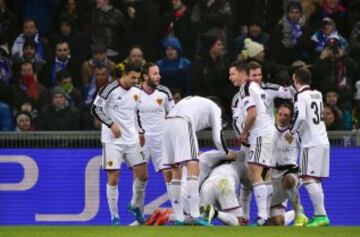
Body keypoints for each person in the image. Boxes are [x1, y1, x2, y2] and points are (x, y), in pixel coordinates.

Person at [161, 95, 236, 225]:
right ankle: (196, 215)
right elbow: (217, 137)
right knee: (194, 167)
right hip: (182, 123)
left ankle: (179, 218)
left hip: (166, 124)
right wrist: (227, 152)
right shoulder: (215, 108)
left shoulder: (194, 102)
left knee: (176, 170)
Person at [91, 63, 148, 225]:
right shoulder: (109, 89)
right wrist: (111, 124)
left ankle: (134, 205)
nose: (135, 81)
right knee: (114, 177)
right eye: (132, 77)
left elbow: (136, 113)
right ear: (124, 74)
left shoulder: (137, 91)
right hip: (112, 141)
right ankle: (114, 216)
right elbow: (96, 109)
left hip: (131, 140)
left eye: (137, 78)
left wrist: (141, 131)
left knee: (143, 176)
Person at [229, 61, 274, 226]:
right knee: (263, 174)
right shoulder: (254, 87)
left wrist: (244, 132)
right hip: (266, 132)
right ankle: (264, 215)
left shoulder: (247, 88)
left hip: (260, 133)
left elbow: (252, 114)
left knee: (255, 172)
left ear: (242, 73)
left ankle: (263, 216)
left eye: (232, 74)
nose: (230, 77)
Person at [286, 67, 330, 227]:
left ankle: (321, 215)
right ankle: (321, 216)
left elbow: (301, 117)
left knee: (307, 177)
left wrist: (291, 131)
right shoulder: (318, 94)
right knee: (315, 180)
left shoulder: (301, 95)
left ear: (296, 80)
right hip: (323, 140)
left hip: (310, 143)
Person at [137, 62, 175, 208]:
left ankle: (177, 213)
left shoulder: (164, 92)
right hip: (142, 140)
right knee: (140, 177)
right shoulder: (135, 92)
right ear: (145, 76)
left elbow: (173, 114)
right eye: (155, 73)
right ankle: (139, 214)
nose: (159, 76)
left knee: (169, 174)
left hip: (161, 139)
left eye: (158, 73)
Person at [270, 103, 308, 226]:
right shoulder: (269, 131)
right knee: (277, 222)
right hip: (274, 175)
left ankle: (299, 214)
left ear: (291, 118)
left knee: (289, 181)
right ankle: (294, 213)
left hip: (291, 171)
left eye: (286, 115)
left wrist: (304, 170)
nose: (282, 117)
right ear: (276, 114)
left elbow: (304, 150)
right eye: (280, 114)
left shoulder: (296, 133)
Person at [199, 150, 252, 226]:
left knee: (203, 221)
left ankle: (213, 212)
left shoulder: (216, 161)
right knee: (240, 223)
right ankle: (215, 212)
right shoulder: (244, 163)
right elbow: (249, 187)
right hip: (224, 182)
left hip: (207, 185)